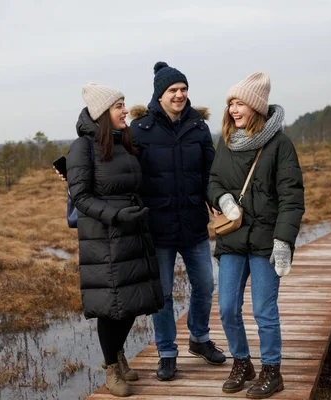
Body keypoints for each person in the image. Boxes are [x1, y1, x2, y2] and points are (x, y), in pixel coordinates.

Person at [207, 72, 305, 398]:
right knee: (227, 308)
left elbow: (292, 197)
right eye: (231, 103)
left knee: (264, 311)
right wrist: (222, 200)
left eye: (241, 103)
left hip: (266, 241)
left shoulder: (280, 144)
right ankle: (242, 362)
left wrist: (284, 242)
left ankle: (271, 371)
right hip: (233, 240)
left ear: (257, 107)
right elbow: (213, 181)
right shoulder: (227, 141)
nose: (234, 109)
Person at [66, 82, 164, 397]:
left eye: (124, 104)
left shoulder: (122, 142)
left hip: (133, 232)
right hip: (105, 237)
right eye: (119, 105)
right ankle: (111, 368)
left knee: (132, 301)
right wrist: (115, 215)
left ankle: (119, 356)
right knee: (113, 306)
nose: (125, 110)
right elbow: (80, 196)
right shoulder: (82, 147)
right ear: (102, 113)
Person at [130, 62, 225, 381]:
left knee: (206, 285)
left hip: (194, 224)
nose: (180, 94)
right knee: (164, 294)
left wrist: (218, 201)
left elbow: (211, 173)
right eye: (173, 90)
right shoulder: (140, 130)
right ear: (160, 95)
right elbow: (121, 172)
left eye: (183, 89)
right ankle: (167, 354)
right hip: (157, 229)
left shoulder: (198, 127)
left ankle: (199, 339)